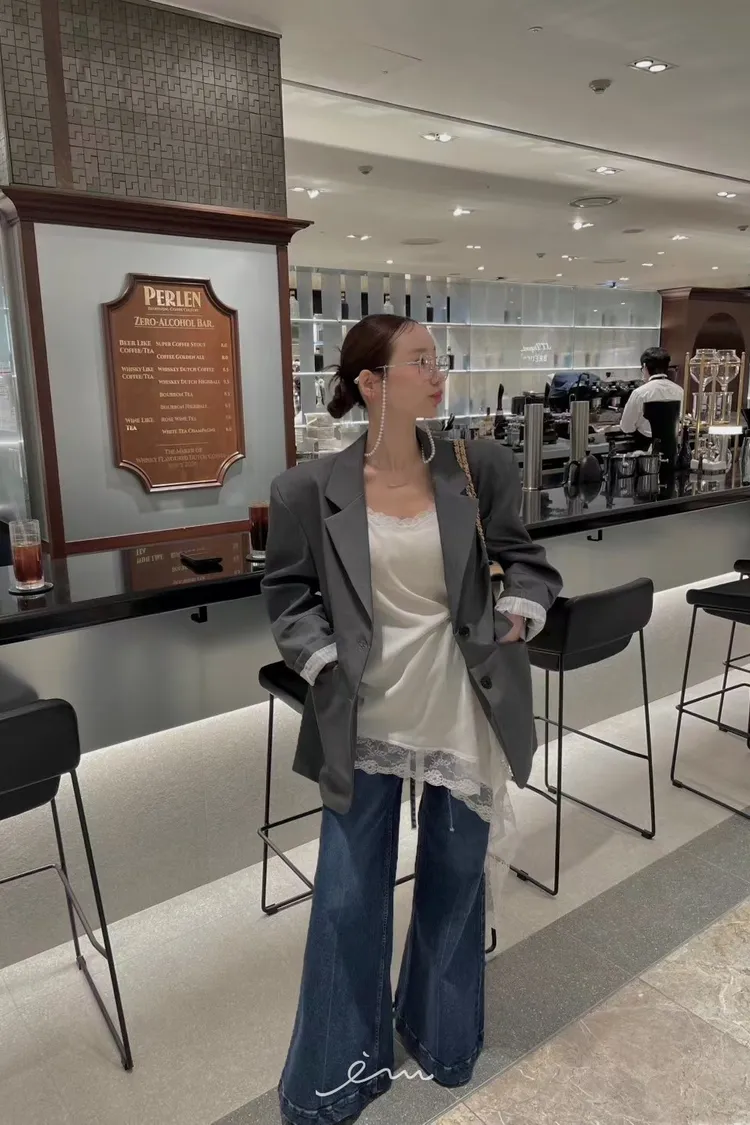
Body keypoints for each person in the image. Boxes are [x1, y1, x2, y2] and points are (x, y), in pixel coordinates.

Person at [261, 314, 562, 1125]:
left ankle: (441, 1037)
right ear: (371, 383)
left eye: (439, 359)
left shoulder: (477, 465)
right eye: (420, 361)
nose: (438, 373)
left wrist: (520, 608)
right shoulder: (306, 489)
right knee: (347, 896)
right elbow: (286, 595)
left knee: (455, 881)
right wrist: (322, 658)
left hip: (464, 705)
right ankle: (335, 1077)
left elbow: (527, 558)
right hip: (364, 717)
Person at [618, 346, 683, 450]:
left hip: (645, 449)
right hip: (673, 449)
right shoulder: (680, 391)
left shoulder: (640, 393)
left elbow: (626, 427)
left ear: (644, 366)